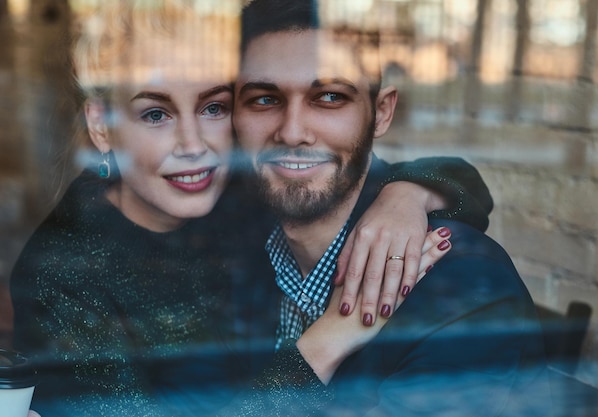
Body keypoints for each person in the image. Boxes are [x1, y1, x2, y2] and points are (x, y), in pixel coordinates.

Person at [9, 1, 492, 416]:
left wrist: (406, 194)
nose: (193, 145)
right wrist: (327, 340)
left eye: (213, 108)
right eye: (155, 114)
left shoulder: (239, 194)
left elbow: (455, 180)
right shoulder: (63, 269)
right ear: (102, 125)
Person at [216, 0, 553, 415]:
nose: (292, 132)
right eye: (264, 100)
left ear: (380, 112)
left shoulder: (464, 289)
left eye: (329, 97)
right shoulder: (239, 244)